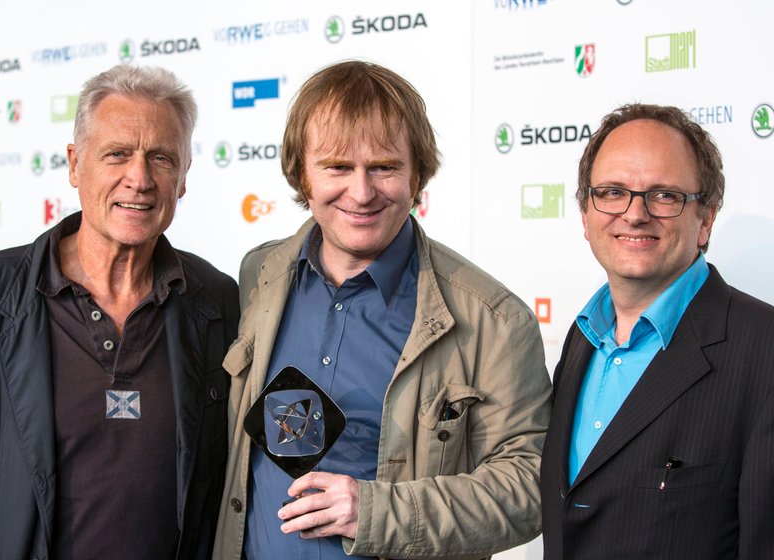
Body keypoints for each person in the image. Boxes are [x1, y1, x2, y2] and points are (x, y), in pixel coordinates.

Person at [214, 60, 552, 559]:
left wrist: (374, 512)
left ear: (417, 174)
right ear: (301, 174)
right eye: (337, 167)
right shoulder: (258, 277)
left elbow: (529, 487)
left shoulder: (494, 322)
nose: (362, 192)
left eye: (385, 167)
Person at [0, 65, 239, 559]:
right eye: (117, 153)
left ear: (183, 178)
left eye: (161, 158)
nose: (138, 179)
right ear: (76, 165)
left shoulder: (216, 301)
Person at [540, 103, 774, 558]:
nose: (634, 214)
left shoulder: (763, 349)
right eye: (611, 192)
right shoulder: (583, 336)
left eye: (664, 195)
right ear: (586, 215)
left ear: (705, 218)